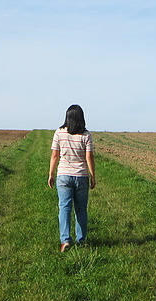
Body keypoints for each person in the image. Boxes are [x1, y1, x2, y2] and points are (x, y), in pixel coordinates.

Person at [48, 104, 96, 252]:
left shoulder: (59, 133)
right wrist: (93, 176)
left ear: (67, 117)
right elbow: (89, 157)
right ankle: (81, 241)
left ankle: (65, 240)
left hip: (63, 176)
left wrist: (51, 174)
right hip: (81, 176)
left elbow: (55, 155)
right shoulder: (86, 135)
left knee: (64, 208)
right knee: (81, 209)